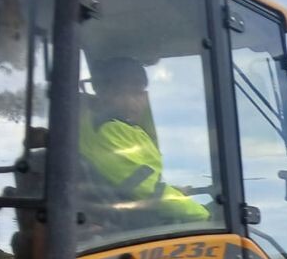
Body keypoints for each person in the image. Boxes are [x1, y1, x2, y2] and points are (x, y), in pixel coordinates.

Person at [79, 57, 209, 223]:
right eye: (120, 93)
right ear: (102, 94)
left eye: (138, 93)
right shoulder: (108, 131)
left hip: (132, 215)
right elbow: (146, 189)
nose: (131, 102)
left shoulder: (120, 127)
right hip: (132, 223)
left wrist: (175, 192)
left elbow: (140, 184)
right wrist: (202, 214)